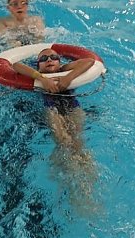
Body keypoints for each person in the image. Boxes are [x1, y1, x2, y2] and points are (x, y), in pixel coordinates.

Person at [12, 47, 99, 210]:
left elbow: (89, 62)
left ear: (60, 62)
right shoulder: (38, 74)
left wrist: (68, 78)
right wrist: (42, 79)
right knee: (64, 142)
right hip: (50, 107)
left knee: (78, 143)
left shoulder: (64, 69)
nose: (49, 60)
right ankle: (70, 184)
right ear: (38, 65)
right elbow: (15, 65)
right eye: (43, 59)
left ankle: (88, 185)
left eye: (53, 57)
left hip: (72, 105)